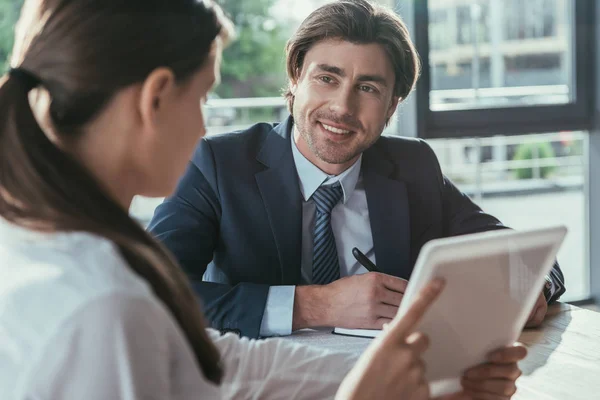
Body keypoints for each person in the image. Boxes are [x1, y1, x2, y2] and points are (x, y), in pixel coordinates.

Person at [0, 0, 528, 399]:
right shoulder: (102, 304)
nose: (206, 122)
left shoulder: (67, 253)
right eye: (204, 96)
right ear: (156, 98)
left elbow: (226, 363)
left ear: (391, 105)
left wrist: (430, 382)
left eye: (368, 88)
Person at [148, 0, 566, 340]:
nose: (342, 108)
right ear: (295, 78)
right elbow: (153, 293)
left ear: (393, 106)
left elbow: (516, 252)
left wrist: (532, 286)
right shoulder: (216, 164)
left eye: (368, 88)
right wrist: (315, 305)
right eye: (327, 78)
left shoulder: (412, 165)